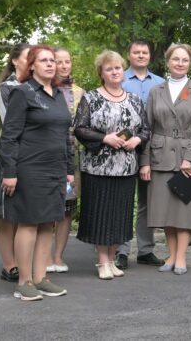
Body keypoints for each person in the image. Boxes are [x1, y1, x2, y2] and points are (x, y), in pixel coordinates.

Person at [0, 45, 73, 301]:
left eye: (52, 60)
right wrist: (10, 172)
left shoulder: (59, 95)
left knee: (47, 224)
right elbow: (9, 136)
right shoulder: (23, 92)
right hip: (29, 169)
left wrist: (70, 170)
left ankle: (41, 278)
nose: (51, 64)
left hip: (56, 170)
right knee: (29, 223)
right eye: (44, 60)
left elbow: (65, 136)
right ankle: (24, 281)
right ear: (31, 66)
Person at [74, 51, 150, 280]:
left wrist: (137, 139)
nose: (115, 72)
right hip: (98, 168)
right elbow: (79, 127)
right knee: (100, 214)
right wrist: (104, 138)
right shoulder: (91, 98)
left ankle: (114, 258)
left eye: (118, 68)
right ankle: (102, 261)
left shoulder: (135, 99)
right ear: (101, 73)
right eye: (109, 69)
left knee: (120, 215)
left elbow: (145, 129)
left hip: (126, 168)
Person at [140, 44, 191, 276]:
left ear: (190, 63)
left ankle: (181, 257)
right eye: (176, 59)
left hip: (186, 157)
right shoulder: (155, 91)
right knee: (165, 211)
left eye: (185, 60)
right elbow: (147, 127)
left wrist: (190, 158)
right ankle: (170, 254)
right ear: (168, 62)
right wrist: (145, 161)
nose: (180, 63)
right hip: (159, 155)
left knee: (184, 211)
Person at [0, 43, 29, 283]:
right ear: (15, 61)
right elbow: (10, 124)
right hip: (11, 155)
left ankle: (23, 263)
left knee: (23, 211)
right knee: (5, 212)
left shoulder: (36, 87)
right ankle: (9, 265)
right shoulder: (6, 88)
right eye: (27, 57)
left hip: (32, 158)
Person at [117, 39, 165, 269]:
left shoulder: (161, 83)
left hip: (152, 148)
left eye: (144, 52)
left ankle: (145, 250)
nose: (140, 55)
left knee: (148, 202)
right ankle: (121, 250)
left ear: (150, 55)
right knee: (124, 201)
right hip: (124, 147)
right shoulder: (120, 79)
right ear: (129, 55)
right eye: (136, 52)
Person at [44, 47, 83, 274]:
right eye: (59, 61)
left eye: (67, 61)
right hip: (46, 157)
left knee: (67, 208)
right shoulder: (42, 89)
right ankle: (44, 256)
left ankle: (58, 256)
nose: (64, 65)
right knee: (47, 207)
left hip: (71, 159)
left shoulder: (79, 93)